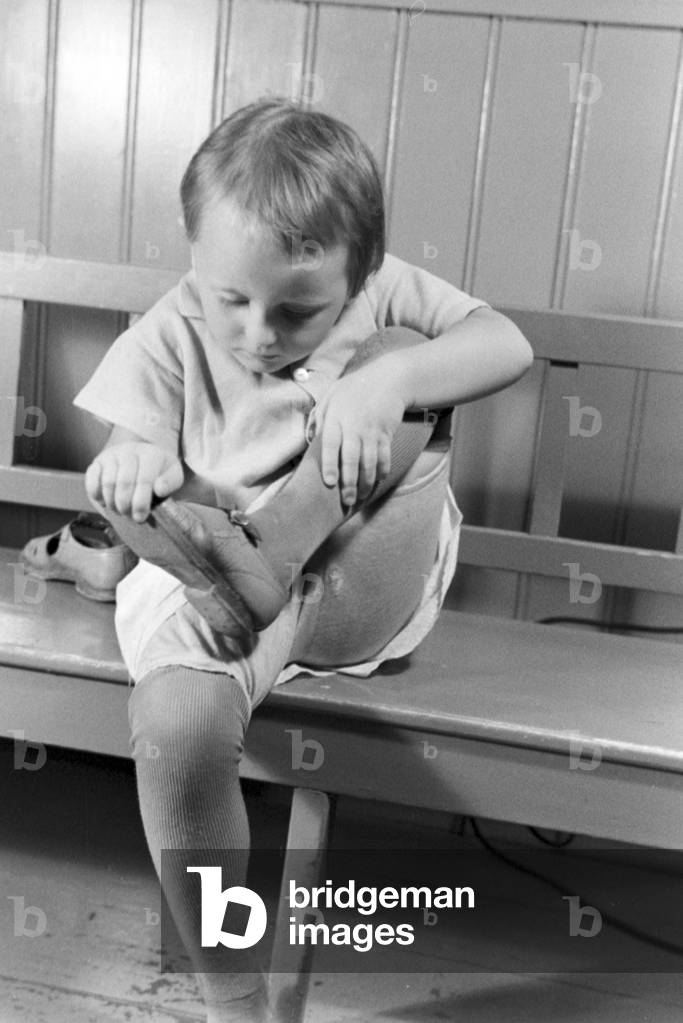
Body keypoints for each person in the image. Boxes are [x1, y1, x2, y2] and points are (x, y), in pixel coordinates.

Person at [74, 98, 533, 1022]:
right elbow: (137, 444)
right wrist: (134, 463)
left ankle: (267, 552)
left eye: (298, 309)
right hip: (239, 601)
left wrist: (384, 377)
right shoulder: (172, 329)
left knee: (413, 350)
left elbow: (507, 345)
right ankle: (233, 1005)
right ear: (195, 253)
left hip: (369, 569)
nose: (254, 333)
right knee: (177, 729)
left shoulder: (386, 293)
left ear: (358, 267)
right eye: (229, 297)